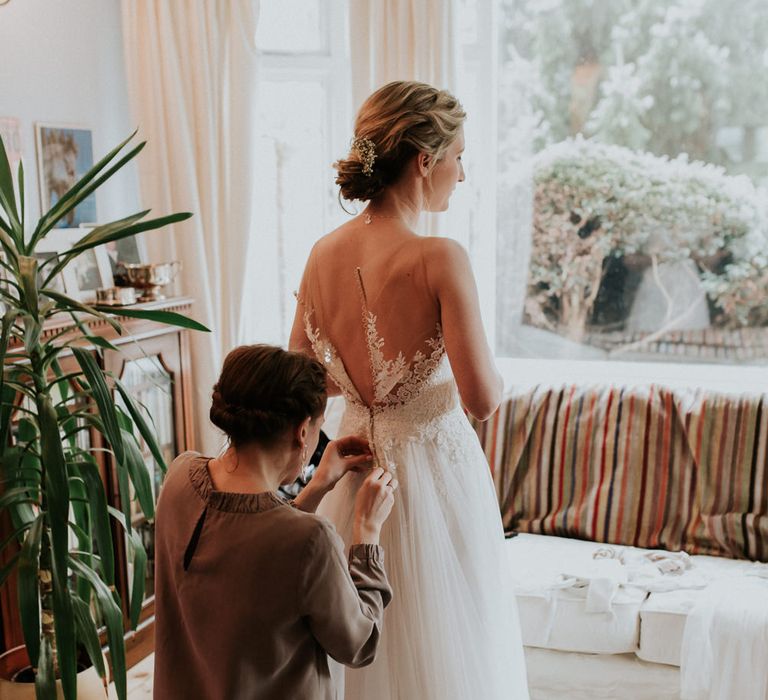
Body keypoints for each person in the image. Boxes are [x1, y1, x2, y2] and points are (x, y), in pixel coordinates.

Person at [290, 81, 529, 699]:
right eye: (459, 155)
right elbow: (482, 399)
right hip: (434, 487)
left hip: (350, 482)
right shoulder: (439, 257)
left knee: (359, 641)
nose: (463, 173)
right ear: (425, 161)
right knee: (449, 647)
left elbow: (299, 388)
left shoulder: (321, 255)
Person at [153, 344, 397, 700]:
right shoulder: (310, 539)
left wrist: (315, 489)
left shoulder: (179, 476)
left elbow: (249, 546)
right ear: (302, 432)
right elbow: (358, 644)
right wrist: (367, 533)